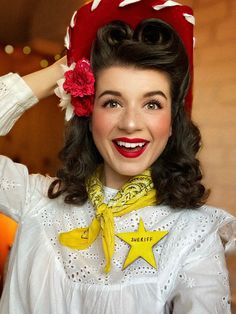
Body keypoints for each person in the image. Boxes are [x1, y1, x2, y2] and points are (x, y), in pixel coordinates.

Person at [0, 0, 235, 313]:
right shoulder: (37, 201)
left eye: (152, 104)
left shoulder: (192, 235)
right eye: (112, 102)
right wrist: (64, 69)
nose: (131, 123)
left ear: (172, 123)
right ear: (88, 113)